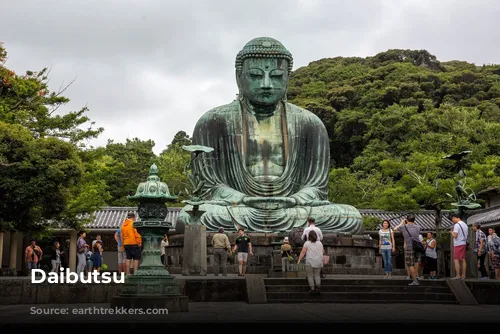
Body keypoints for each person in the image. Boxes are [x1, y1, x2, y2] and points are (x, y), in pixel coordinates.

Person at [176, 37, 363, 235]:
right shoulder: (213, 121)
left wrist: (295, 200)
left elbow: (316, 187)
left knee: (349, 217)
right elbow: (208, 186)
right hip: (238, 207)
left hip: (293, 208)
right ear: (239, 77)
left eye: (276, 76)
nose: (266, 84)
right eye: (256, 75)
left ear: (287, 78)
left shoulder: (310, 124)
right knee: (190, 216)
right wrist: (242, 199)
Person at [393, 215, 422, 286]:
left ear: (407, 220)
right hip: (417, 248)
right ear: (414, 220)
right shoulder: (418, 227)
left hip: (409, 247)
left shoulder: (403, 227)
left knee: (410, 264)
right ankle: (417, 276)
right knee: (416, 262)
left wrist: (401, 222)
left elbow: (395, 229)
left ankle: (415, 280)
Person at [297, 230, 324, 294]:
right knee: (317, 275)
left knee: (310, 276)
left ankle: (312, 289)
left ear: (309, 236)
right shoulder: (320, 243)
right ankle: (318, 288)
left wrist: (299, 259)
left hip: (309, 262)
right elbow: (323, 252)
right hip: (318, 261)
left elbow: (303, 252)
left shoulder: (307, 243)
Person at [450, 213, 468, 279]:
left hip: (458, 244)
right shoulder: (465, 224)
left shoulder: (457, 225)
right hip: (463, 243)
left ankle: (458, 275)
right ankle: (464, 275)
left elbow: (455, 236)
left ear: (455, 217)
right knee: (463, 259)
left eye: (452, 219)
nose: (453, 221)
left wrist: (452, 232)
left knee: (456, 259)